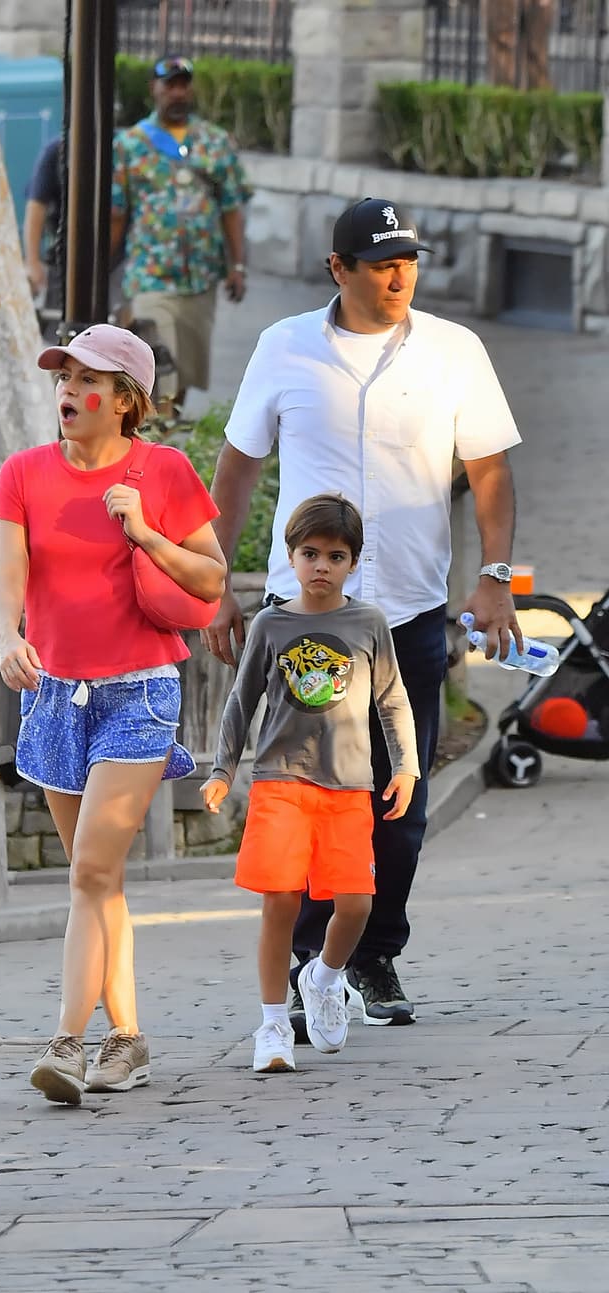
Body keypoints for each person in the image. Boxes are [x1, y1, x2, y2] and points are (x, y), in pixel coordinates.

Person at [204, 196, 523, 1032]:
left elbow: (489, 472)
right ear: (337, 269)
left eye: (407, 260)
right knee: (308, 793)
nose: (398, 275)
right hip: (303, 620)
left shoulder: (456, 351)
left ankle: (371, 953)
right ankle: (314, 965)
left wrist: (495, 579)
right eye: (380, 261)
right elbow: (235, 472)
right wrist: (215, 585)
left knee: (399, 799)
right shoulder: (284, 348)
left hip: (408, 614)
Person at [0, 324, 226, 1105]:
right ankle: (128, 1038)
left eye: (86, 378)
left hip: (140, 692)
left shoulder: (164, 470)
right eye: (62, 375)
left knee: (88, 871)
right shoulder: (23, 473)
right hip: (56, 692)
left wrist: (147, 533)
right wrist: (7, 635)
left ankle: (67, 1039)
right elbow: (7, 574)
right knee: (100, 879)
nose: (67, 389)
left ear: (125, 400)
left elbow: (213, 578)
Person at [201, 495, 418, 1073]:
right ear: (291, 557)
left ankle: (323, 976)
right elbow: (241, 701)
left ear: (354, 563)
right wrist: (223, 769)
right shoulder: (272, 623)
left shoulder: (368, 623)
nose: (322, 565)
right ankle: (272, 1023)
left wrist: (406, 765)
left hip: (349, 786)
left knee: (356, 903)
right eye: (310, 553)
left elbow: (391, 697)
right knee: (280, 902)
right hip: (280, 783)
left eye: (336, 555)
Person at [110, 54, 251, 415]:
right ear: (153, 89)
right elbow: (117, 213)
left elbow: (231, 207)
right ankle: (153, 446)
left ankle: (169, 439)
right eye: (169, 84)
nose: (177, 92)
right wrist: (103, 269)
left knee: (185, 374)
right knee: (157, 368)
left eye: (183, 84)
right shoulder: (130, 145)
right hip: (150, 276)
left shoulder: (215, 142)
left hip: (200, 280)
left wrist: (238, 265)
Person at [22, 135, 62, 310]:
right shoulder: (57, 150)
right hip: (62, 262)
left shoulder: (117, 147)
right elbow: (36, 206)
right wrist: (32, 262)